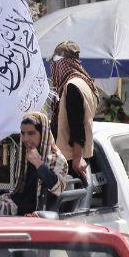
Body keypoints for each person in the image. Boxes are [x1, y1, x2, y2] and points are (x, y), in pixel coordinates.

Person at [0, 112, 70, 216]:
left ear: (43, 134)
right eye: (23, 134)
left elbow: (58, 189)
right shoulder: (25, 154)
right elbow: (20, 189)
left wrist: (39, 164)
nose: (26, 138)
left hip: (32, 212)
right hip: (15, 203)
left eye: (31, 133)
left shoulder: (56, 159)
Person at [50, 41, 99, 179]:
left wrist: (77, 158)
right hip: (76, 157)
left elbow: (77, 125)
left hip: (70, 159)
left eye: (55, 61)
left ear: (62, 62)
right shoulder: (84, 82)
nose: (53, 67)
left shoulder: (72, 86)